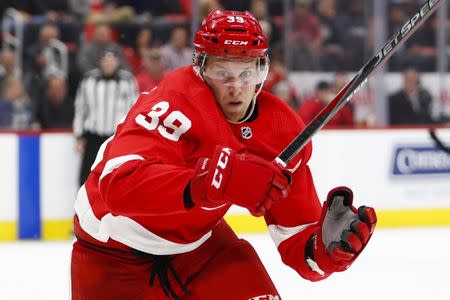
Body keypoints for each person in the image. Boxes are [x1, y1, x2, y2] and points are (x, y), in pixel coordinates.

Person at [71, 10, 377, 300]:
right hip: (112, 253)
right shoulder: (174, 101)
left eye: (246, 72)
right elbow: (119, 187)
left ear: (262, 70)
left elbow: (296, 236)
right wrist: (206, 183)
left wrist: (322, 249)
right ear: (200, 68)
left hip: (199, 248)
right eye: (222, 71)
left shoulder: (281, 130)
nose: (235, 87)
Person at [73, 48, 138, 187]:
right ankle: (82, 207)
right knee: (87, 176)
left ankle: (114, 208)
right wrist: (78, 135)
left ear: (117, 62)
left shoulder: (127, 80)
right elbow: (80, 108)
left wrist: (132, 136)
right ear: (100, 62)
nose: (108, 64)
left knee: (116, 175)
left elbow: (134, 109)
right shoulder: (89, 80)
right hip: (93, 136)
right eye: (105, 60)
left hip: (116, 137)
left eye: (111, 60)